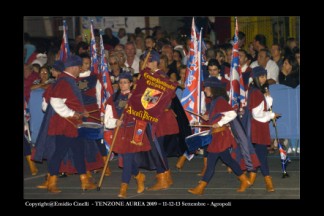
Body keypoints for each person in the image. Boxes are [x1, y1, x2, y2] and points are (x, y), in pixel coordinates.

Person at [41, 56, 96, 193]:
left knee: (78, 151)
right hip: (66, 125)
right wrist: (72, 113)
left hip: (72, 124)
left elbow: (71, 101)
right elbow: (55, 101)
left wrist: (82, 112)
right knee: (59, 152)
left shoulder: (68, 80)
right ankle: (51, 182)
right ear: (73, 67)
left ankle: (84, 181)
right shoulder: (65, 81)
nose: (80, 70)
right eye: (79, 68)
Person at [188, 77, 251, 195]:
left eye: (206, 88)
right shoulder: (215, 101)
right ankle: (244, 180)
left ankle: (201, 187)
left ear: (213, 89)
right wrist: (207, 118)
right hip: (218, 136)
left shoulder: (220, 101)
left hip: (220, 136)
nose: (205, 90)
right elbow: (216, 116)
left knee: (211, 162)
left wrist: (220, 123)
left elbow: (232, 113)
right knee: (228, 160)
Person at [104, 73, 150, 198]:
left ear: (131, 83)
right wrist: (115, 122)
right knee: (125, 159)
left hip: (133, 131)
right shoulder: (113, 98)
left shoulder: (136, 97)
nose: (123, 85)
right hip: (120, 132)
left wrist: (135, 100)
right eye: (121, 82)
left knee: (128, 159)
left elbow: (145, 113)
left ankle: (124, 186)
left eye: (125, 82)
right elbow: (107, 120)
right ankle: (139, 176)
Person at [245, 66, 281, 192]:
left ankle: (252, 178)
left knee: (258, 154)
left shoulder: (257, 91)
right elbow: (258, 114)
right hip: (258, 127)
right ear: (255, 78)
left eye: (265, 76)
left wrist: (268, 98)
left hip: (260, 126)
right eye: (261, 76)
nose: (264, 78)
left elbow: (265, 106)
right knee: (261, 155)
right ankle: (266, 180)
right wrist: (272, 115)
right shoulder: (255, 92)